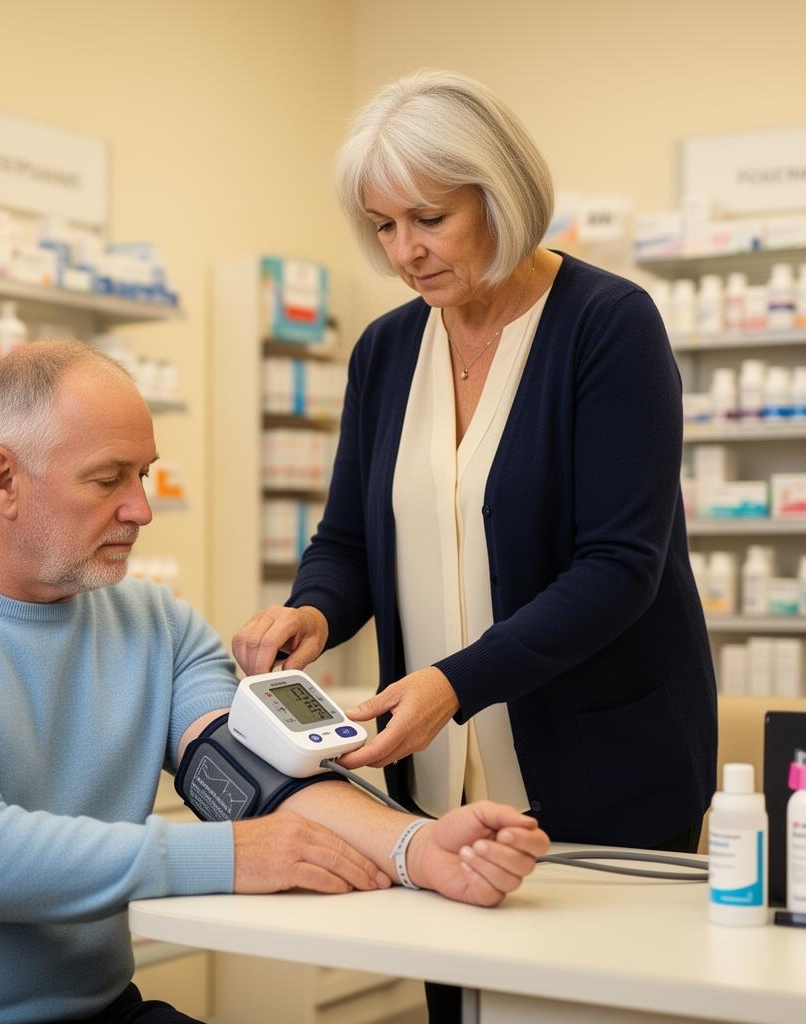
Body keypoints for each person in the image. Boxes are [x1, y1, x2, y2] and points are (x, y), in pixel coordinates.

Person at [0, 340, 548, 1024]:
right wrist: (233, 856)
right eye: (107, 480)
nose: (141, 509)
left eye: (144, 475)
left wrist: (419, 847)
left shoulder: (156, 624)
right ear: (3, 479)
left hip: (97, 1012)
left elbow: (253, 777)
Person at [231, 68, 717, 1021]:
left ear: (497, 194)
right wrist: (313, 610)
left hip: (602, 764)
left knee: (599, 1002)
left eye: (428, 219)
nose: (404, 252)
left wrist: (455, 682)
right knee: (461, 1001)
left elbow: (622, 566)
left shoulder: (607, 326)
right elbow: (350, 538)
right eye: (382, 226)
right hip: (438, 776)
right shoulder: (385, 350)